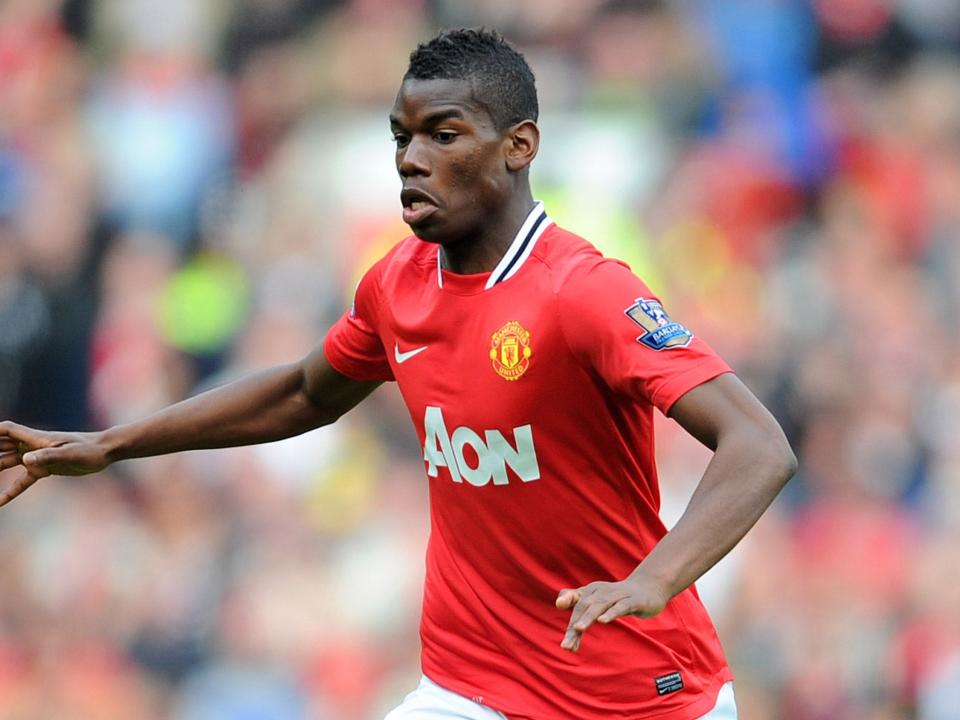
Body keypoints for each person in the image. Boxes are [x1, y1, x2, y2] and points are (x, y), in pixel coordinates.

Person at [0, 28, 796, 720]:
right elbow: (305, 393)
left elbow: (759, 445)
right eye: (402, 138)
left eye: (444, 136)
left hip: (634, 693)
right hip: (472, 688)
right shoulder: (399, 283)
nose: (412, 160)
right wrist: (111, 444)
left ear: (518, 146)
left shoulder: (582, 291)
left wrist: (652, 581)